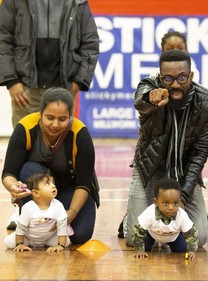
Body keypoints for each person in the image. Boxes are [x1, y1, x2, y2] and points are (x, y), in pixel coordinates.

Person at [0, 0, 100, 230]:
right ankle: (22, 211)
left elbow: (90, 44)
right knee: (24, 157)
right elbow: (3, 38)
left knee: (62, 155)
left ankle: (60, 208)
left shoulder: (78, 2)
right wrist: (12, 81)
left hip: (64, 88)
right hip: (25, 89)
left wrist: (77, 83)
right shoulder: (14, 2)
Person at [124, 49, 208, 247]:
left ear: (191, 76)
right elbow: (140, 102)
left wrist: (182, 195)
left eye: (182, 77)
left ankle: (152, 219)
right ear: (160, 77)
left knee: (199, 238)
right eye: (168, 78)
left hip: (183, 172)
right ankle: (133, 217)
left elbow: (200, 152)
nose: (175, 84)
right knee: (134, 239)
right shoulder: (150, 89)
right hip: (150, 169)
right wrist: (152, 100)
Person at [2, 87, 100, 245]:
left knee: (80, 236)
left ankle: (49, 228)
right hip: (39, 191)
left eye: (62, 119)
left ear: (70, 117)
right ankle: (32, 223)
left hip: (71, 190)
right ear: (40, 114)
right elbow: (8, 173)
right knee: (29, 170)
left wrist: (71, 213)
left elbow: (84, 183)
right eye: (49, 118)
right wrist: (13, 186)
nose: (55, 124)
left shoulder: (80, 133)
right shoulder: (25, 127)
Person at [4, 171, 71, 252]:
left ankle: (52, 243)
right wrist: (19, 244)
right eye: (47, 183)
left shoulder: (58, 205)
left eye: (53, 183)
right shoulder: (28, 207)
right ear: (35, 193)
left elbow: (62, 226)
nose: (53, 186)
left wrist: (60, 245)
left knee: (66, 242)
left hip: (48, 238)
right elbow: (21, 227)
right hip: (28, 238)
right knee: (9, 243)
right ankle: (22, 242)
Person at [133, 178, 198, 260]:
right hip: (152, 234)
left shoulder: (181, 215)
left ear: (179, 201)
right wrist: (139, 250)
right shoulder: (150, 212)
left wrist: (192, 251)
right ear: (156, 202)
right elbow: (137, 229)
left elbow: (191, 233)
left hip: (173, 237)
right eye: (165, 203)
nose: (171, 207)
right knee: (145, 248)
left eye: (175, 203)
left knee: (181, 249)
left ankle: (171, 243)